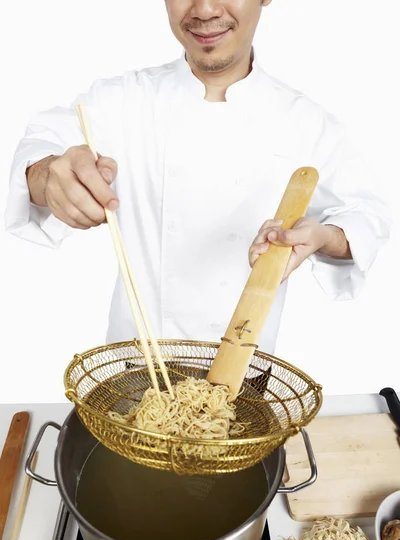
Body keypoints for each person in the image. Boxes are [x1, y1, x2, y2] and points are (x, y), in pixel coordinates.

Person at [5, 0, 391, 355]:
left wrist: (323, 237)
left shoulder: (308, 123)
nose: (204, 9)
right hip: (132, 373)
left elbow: (365, 215)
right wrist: (50, 177)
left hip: (247, 379)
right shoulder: (121, 100)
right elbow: (41, 150)